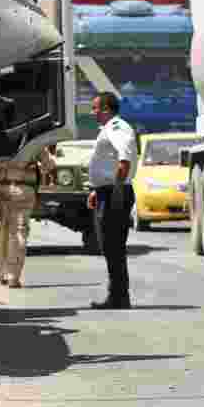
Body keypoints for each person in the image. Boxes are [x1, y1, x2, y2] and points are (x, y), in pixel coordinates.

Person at [85, 92, 139, 309]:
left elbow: (124, 160)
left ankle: (118, 296)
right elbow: (109, 164)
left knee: (113, 246)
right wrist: (97, 190)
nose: (93, 113)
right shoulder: (107, 129)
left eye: (95, 108)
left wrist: (114, 189)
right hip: (107, 191)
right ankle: (117, 294)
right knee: (109, 246)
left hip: (115, 193)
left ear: (107, 109)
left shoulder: (117, 127)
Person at [0, 160, 39, 288]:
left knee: (1, 232)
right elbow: (49, 165)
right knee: (18, 232)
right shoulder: (31, 143)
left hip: (0, 190)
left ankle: (1, 273)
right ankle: (13, 277)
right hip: (22, 190)